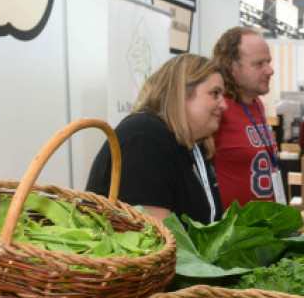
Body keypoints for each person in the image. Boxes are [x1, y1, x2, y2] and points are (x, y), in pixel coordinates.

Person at [86, 54, 224, 225]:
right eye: (215, 93)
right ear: (181, 93)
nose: (223, 104)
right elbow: (154, 232)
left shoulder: (196, 144)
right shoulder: (145, 137)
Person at [211, 26, 280, 209]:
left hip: (265, 226)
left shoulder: (256, 104)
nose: (269, 70)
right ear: (232, 67)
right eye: (259, 64)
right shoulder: (218, 108)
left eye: (268, 61)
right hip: (233, 231)